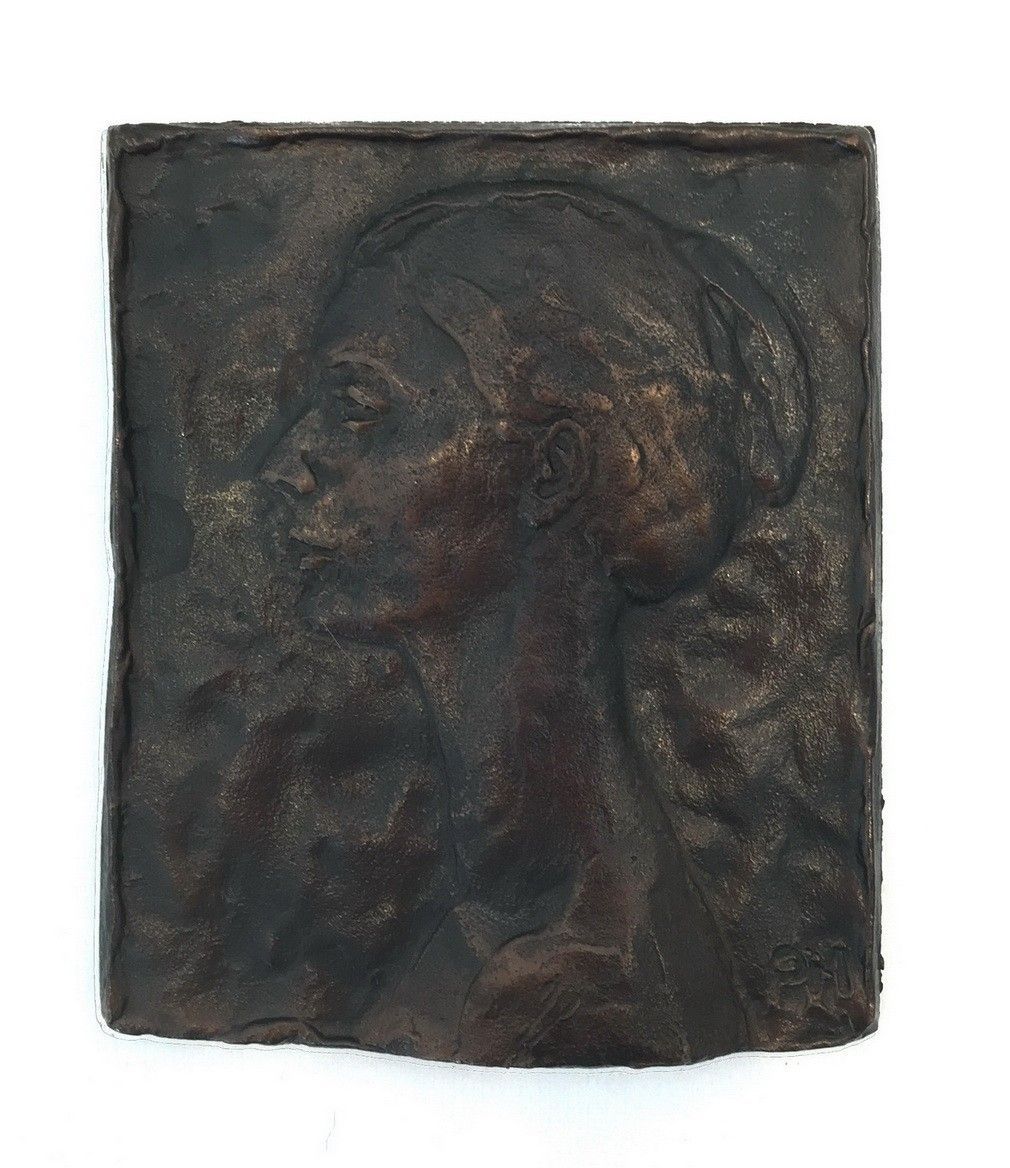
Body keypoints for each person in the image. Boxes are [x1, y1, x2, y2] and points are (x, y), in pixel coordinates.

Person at [261, 182, 810, 1065]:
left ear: (550, 473)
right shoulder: (495, 905)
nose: (285, 465)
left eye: (357, 408)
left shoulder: (572, 979)